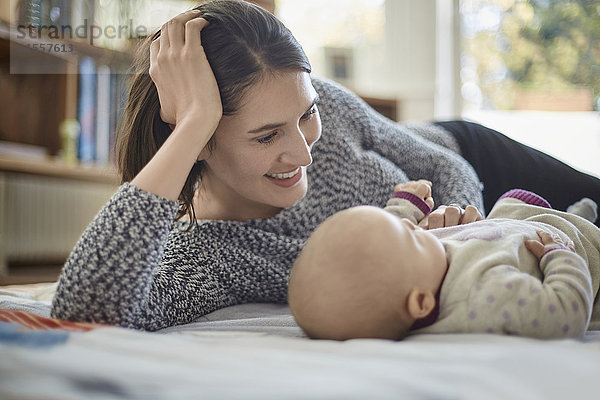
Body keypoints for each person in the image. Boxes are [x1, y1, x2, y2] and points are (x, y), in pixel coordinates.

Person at [50, 0, 600, 330]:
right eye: (266, 136)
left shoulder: (325, 105)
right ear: (198, 144)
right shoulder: (213, 250)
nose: (303, 151)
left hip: (474, 158)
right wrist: (193, 122)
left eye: (305, 115)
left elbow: (436, 161)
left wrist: (464, 234)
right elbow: (87, 306)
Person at [288, 181, 600, 340]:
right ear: (421, 303)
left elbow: (383, 237)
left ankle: (570, 213)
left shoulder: (413, 271)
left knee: (512, 207)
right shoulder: (485, 298)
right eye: (409, 235)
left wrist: (405, 205)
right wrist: (560, 257)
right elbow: (564, 313)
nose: (413, 226)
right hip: (580, 248)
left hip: (511, 225)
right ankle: (575, 218)